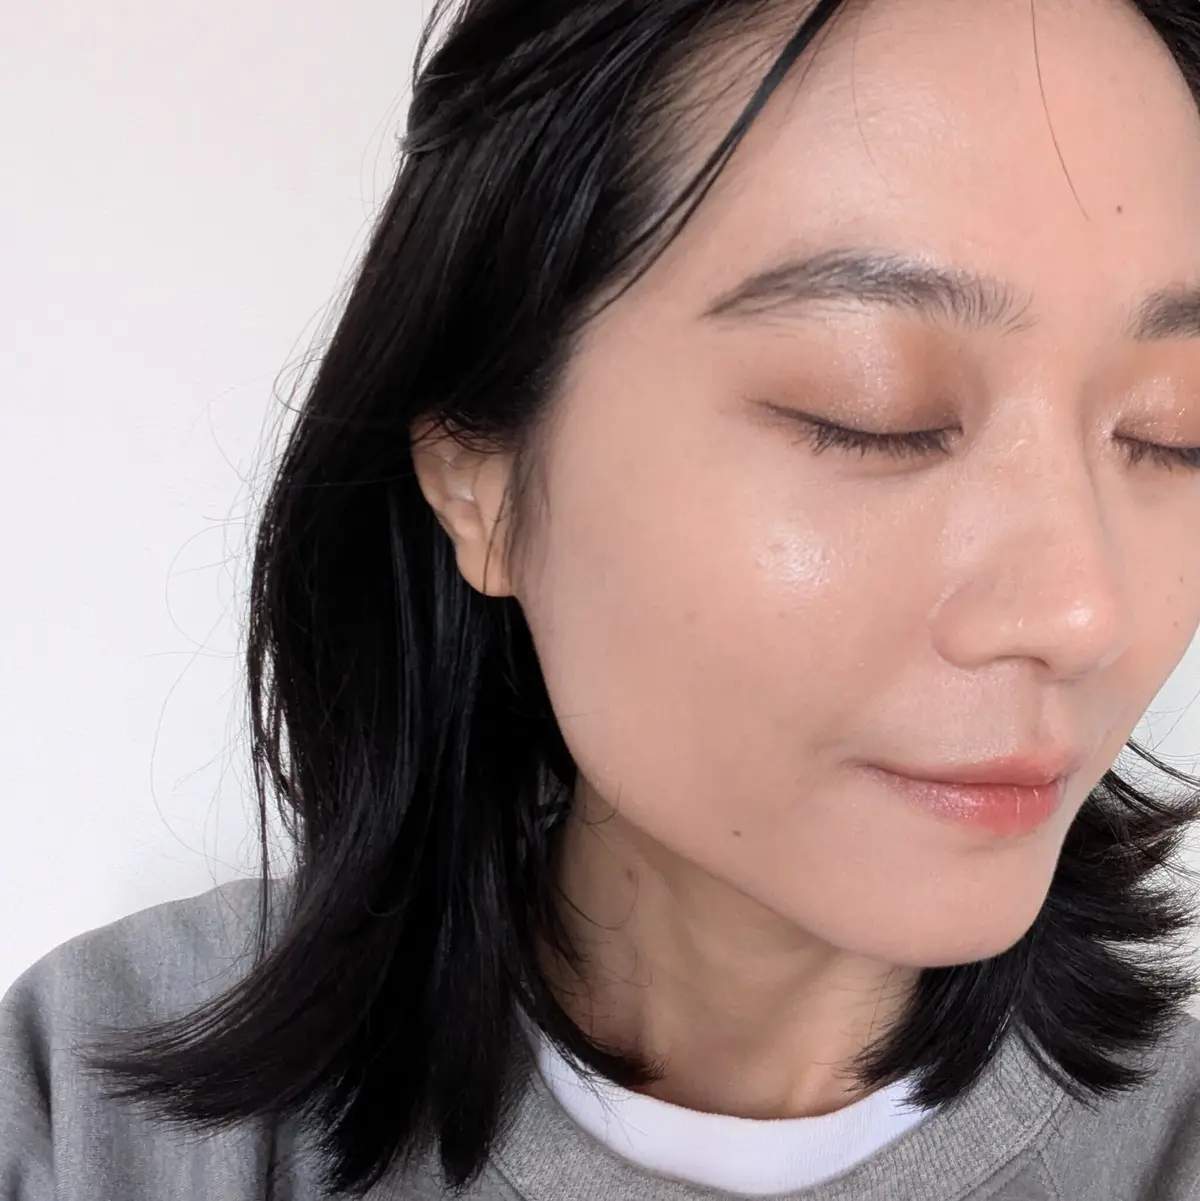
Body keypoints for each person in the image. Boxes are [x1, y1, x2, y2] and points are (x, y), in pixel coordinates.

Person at [7, 0, 1200, 1197]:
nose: (1082, 611)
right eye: (873, 411)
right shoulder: (102, 1113)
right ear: (480, 475)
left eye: (1170, 434)